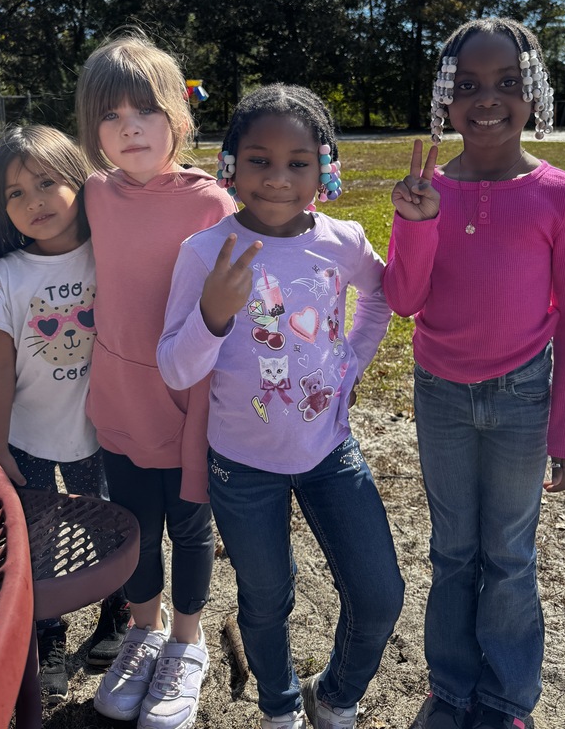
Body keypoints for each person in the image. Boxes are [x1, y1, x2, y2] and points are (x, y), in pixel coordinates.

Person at [0, 31, 235, 729]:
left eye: (144, 109)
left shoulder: (212, 203)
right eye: (110, 116)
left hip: (188, 401)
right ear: (93, 131)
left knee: (190, 525)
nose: (129, 128)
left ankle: (187, 642)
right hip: (117, 401)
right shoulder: (96, 193)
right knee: (136, 528)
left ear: (179, 112)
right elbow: (34, 233)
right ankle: (143, 635)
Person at [157, 84, 405, 729]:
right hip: (242, 467)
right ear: (229, 165)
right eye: (259, 160)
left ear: (325, 169)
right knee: (265, 602)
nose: (277, 178)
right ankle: (280, 704)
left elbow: (379, 296)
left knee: (381, 595)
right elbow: (174, 367)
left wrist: (351, 361)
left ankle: (338, 694)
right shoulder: (204, 252)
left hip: (330, 453)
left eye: (298, 162)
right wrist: (213, 313)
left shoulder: (343, 239)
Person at [383, 18, 565, 729]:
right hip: (439, 395)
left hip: (522, 400)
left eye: (507, 83)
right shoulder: (428, 189)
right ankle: (451, 690)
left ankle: (506, 699)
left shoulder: (563, 195)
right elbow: (405, 300)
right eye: (469, 84)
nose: (488, 99)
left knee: (507, 553)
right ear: (446, 98)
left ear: (532, 92)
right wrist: (415, 222)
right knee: (452, 551)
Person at [0, 124, 105, 706]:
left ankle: (119, 614)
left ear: (80, 180)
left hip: (101, 433)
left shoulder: (113, 254)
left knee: (106, 525)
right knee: (39, 540)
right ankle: (49, 634)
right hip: (27, 439)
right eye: (15, 193)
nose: (34, 202)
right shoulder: (6, 277)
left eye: (47, 182)